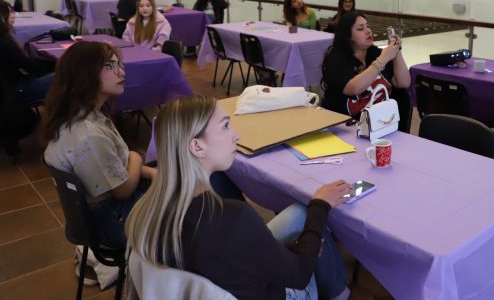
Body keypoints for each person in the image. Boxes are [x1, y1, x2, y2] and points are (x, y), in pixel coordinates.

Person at [124, 96, 357, 299]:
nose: (236, 135)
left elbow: (223, 254)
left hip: (216, 278)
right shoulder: (234, 217)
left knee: (301, 215)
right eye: (226, 126)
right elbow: (299, 275)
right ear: (197, 146)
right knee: (309, 213)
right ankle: (342, 294)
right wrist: (320, 206)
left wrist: (293, 248)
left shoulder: (146, 208)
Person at [43, 41, 156, 249]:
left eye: (119, 65)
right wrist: (136, 157)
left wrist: (148, 171)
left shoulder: (79, 114)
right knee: (188, 205)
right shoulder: (88, 135)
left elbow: (114, 164)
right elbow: (123, 191)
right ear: (84, 74)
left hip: (102, 211)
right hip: (112, 221)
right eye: (109, 66)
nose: (121, 72)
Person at [321, 11, 410, 117]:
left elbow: (403, 83)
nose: (368, 31)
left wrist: (396, 50)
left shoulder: (375, 53)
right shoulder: (336, 59)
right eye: (360, 29)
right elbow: (353, 88)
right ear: (348, 35)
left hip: (378, 121)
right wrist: (382, 59)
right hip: (342, 121)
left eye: (368, 26)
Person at [0, 0, 55, 106]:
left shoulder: (3, 39)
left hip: (11, 87)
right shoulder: (4, 43)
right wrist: (54, 64)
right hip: (18, 90)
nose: (13, 15)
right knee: (67, 75)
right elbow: (29, 67)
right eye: (9, 12)